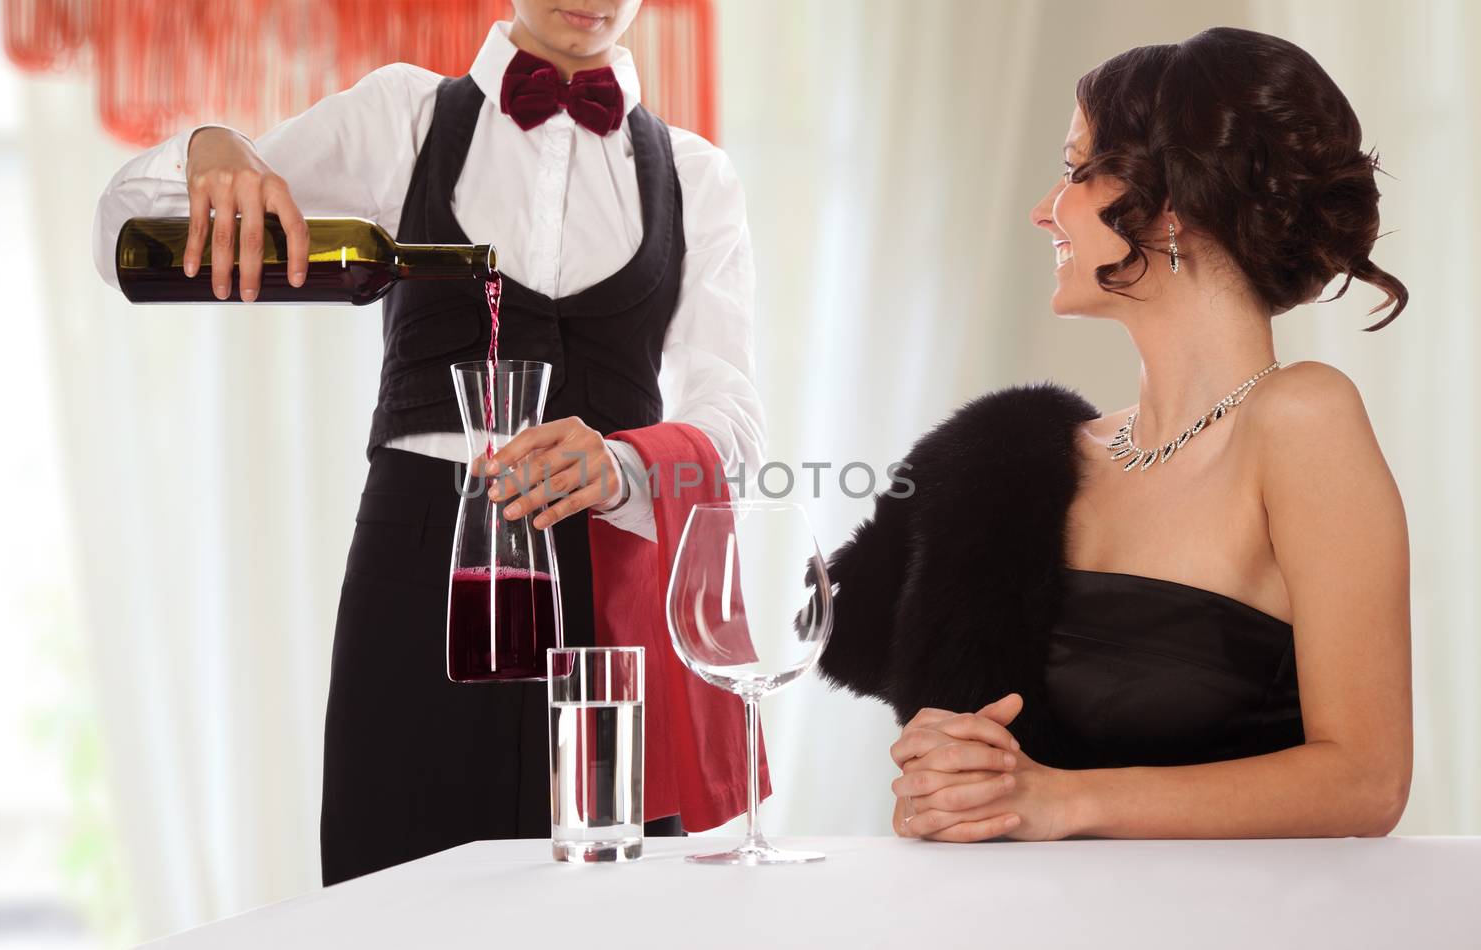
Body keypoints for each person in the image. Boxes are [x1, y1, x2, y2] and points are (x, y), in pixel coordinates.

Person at [92, 0, 766, 882]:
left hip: (608, 589)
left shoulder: (694, 175)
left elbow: (737, 427)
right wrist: (209, 146)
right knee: (395, 891)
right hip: (420, 567)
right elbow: (120, 238)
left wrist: (623, 462)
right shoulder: (400, 116)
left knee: (613, 910)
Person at [817, 27, 1411, 843]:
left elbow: (1367, 781)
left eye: (1072, 171)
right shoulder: (1035, 462)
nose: (1041, 208)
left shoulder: (1299, 416)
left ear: (1171, 202)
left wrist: (1066, 801)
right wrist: (958, 780)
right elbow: (1001, 779)